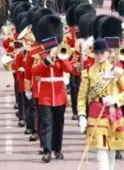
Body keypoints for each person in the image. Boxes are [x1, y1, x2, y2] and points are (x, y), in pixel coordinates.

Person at [77, 33, 124, 170]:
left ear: (108, 53)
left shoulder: (117, 71)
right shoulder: (88, 72)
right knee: (101, 151)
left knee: (111, 150)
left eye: (102, 52)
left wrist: (116, 99)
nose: (100, 55)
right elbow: (82, 97)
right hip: (96, 112)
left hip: (113, 112)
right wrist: (82, 116)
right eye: (97, 53)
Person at [31, 14, 72, 163]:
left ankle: (57, 149)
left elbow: (70, 69)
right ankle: (47, 150)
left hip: (60, 93)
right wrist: (47, 61)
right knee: (46, 122)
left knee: (58, 123)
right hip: (45, 93)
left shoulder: (63, 53)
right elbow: (34, 71)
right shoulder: (40, 55)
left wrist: (60, 59)